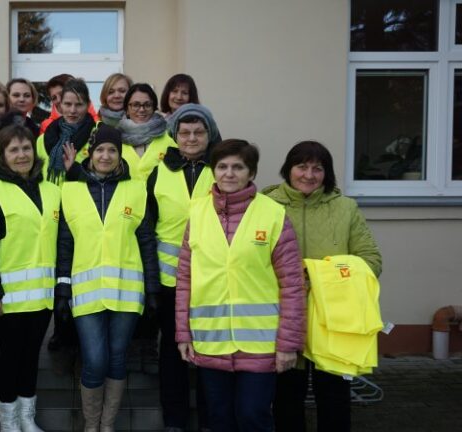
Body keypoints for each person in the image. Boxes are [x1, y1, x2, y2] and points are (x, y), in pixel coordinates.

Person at [175, 139, 306, 432]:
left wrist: (288, 344)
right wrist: (183, 333)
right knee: (219, 419)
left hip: (261, 343)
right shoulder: (197, 213)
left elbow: (292, 284)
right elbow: (185, 279)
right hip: (211, 340)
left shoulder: (272, 214)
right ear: (213, 171)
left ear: (251, 173)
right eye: (222, 166)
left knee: (252, 416)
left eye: (238, 167)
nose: (229, 173)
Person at [265, 140, 382, 432]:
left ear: (326, 173)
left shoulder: (345, 208)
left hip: (335, 323)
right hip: (284, 319)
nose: (309, 175)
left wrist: (320, 275)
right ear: (288, 169)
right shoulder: (265, 206)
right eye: (301, 166)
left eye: (318, 168)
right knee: (286, 400)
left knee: (335, 400)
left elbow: (371, 260)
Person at [55, 124, 160, 431]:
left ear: (119, 154)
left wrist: (152, 288)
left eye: (112, 150)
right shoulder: (70, 189)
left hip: (127, 292)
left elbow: (146, 241)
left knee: (116, 359)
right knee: (95, 360)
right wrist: (62, 288)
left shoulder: (136, 188)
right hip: (86, 292)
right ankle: (91, 424)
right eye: (100, 149)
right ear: (90, 153)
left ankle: (108, 425)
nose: (105, 155)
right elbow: (64, 242)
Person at [0, 124, 61, 432]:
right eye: (13, 150)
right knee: (10, 359)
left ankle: (28, 417)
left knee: (30, 358)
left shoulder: (52, 191)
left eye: (26, 148)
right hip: (8, 298)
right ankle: (8, 421)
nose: (21, 155)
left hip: (42, 295)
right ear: (2, 156)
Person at [146, 103, 221, 431]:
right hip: (169, 280)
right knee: (172, 354)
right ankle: (174, 420)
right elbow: (147, 227)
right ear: (175, 135)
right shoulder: (159, 171)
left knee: (210, 352)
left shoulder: (222, 169)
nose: (191, 138)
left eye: (198, 131)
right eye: (185, 132)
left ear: (209, 134)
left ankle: (209, 420)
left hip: (213, 279)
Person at [37, 78, 97, 183]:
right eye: (68, 104)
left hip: (80, 198)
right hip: (51, 198)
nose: (72, 110)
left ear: (87, 105)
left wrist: (75, 169)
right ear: (61, 105)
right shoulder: (42, 140)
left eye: (79, 105)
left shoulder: (98, 136)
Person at [115, 83, 176, 180]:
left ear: (154, 108)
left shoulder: (169, 141)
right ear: (127, 109)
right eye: (135, 105)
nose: (142, 109)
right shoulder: (114, 140)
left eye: (147, 105)